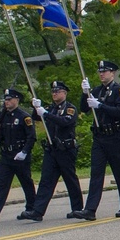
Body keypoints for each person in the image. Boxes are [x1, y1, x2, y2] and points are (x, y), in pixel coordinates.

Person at [75, 60, 120, 220]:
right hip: (100, 137)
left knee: (119, 172)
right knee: (96, 173)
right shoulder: (97, 90)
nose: (101, 74)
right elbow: (84, 108)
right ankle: (90, 209)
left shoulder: (119, 91)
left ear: (112, 73)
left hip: (114, 136)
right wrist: (85, 92)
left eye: (105, 71)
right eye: (100, 71)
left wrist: (100, 105)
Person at [20, 81, 83, 222]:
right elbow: (36, 117)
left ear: (64, 93)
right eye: (53, 91)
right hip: (51, 150)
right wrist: (35, 107)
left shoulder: (70, 109)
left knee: (70, 179)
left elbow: (64, 122)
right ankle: (37, 211)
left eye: (58, 91)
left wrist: (46, 113)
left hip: (65, 150)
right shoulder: (50, 108)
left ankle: (77, 208)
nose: (55, 93)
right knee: (46, 181)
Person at [0, 88, 36, 223]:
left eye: (9, 99)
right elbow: (1, 133)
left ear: (17, 100)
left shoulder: (24, 117)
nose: (7, 102)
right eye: (6, 99)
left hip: (20, 155)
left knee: (26, 182)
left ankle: (32, 208)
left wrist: (25, 152)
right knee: (2, 184)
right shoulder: (3, 116)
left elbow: (31, 137)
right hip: (6, 156)